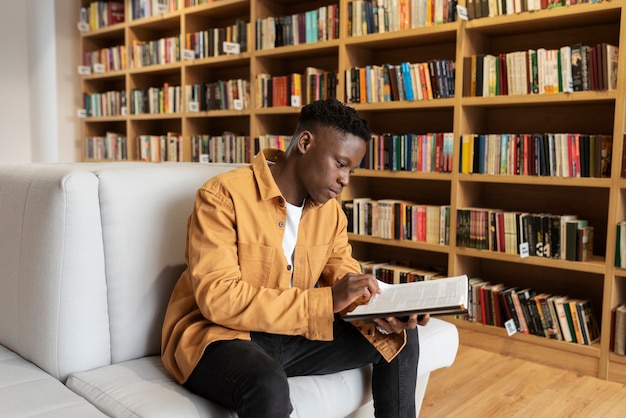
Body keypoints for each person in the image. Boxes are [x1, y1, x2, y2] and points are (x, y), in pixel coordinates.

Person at [161, 98, 430, 417]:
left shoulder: (331, 214)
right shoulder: (222, 196)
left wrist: (384, 311)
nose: (345, 180)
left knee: (398, 339)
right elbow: (218, 299)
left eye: (351, 170)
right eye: (340, 164)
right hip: (220, 336)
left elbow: (345, 279)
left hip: (291, 333)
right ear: (305, 142)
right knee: (267, 383)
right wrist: (325, 301)